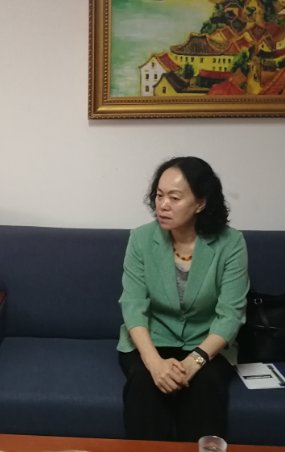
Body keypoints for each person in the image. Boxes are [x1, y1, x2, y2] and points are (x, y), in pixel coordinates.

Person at [117, 156, 249, 441]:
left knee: (206, 385)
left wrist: (193, 362)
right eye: (159, 195)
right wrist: (155, 364)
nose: (163, 205)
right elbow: (133, 306)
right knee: (144, 384)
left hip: (207, 343)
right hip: (151, 339)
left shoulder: (231, 243)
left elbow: (230, 314)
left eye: (174, 198)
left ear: (200, 203)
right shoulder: (140, 239)